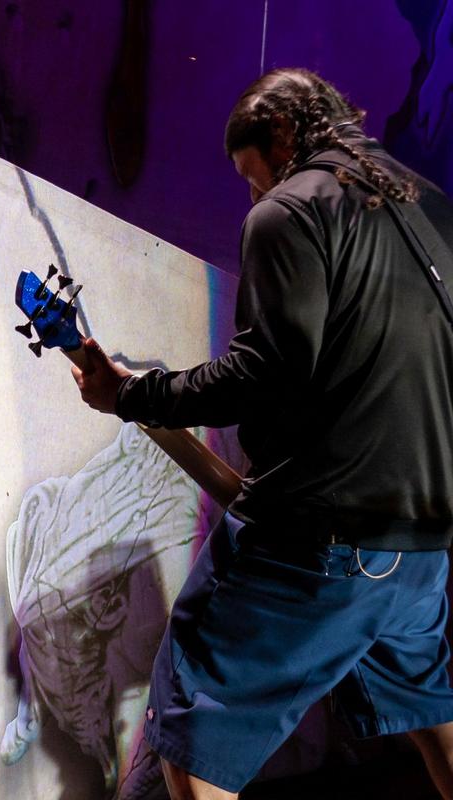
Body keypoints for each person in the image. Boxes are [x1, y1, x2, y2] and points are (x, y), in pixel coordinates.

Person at [72, 68, 453, 799]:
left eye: (252, 178)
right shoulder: (429, 207)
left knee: (193, 726)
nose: (253, 198)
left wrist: (133, 393)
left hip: (321, 547)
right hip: (420, 556)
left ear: (281, 135)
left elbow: (262, 373)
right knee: (436, 720)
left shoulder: (291, 210)